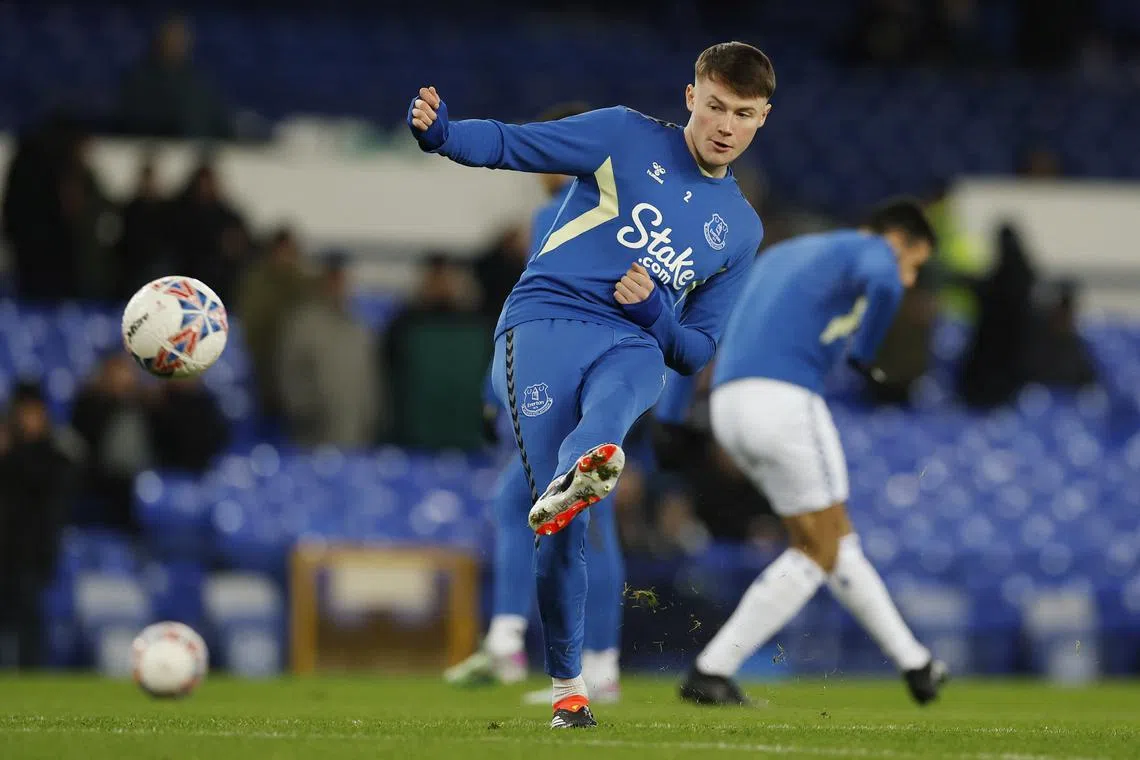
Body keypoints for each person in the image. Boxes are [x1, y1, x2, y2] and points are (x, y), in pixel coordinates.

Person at [408, 41, 774, 728]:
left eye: (744, 113)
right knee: (561, 528)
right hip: (544, 323)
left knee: (619, 395)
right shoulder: (621, 134)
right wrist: (443, 136)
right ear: (691, 97)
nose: (726, 125)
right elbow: (517, 145)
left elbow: (694, 351)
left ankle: (589, 459)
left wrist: (651, 311)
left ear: (762, 119)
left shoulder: (742, 230)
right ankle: (569, 690)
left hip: (633, 340)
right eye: (717, 106)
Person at [654, 198, 949, 708]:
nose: (906, 281)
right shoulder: (870, 248)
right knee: (820, 550)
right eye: (914, 265)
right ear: (898, 240)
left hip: (729, 404)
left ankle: (916, 665)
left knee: (831, 541)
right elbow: (882, 277)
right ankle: (711, 670)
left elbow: (701, 321)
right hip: (784, 400)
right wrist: (864, 352)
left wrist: (672, 412)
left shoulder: (782, 257)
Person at [444, 103, 626, 706]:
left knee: (579, 519)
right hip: (609, 376)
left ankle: (577, 659)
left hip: (568, 376)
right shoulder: (628, 216)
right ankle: (529, 647)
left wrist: (492, 389)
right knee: (535, 506)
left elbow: (530, 311)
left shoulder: (560, 210)